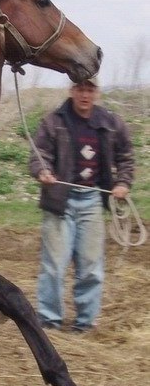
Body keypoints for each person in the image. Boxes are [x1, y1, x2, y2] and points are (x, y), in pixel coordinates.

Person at [29, 77, 134, 332]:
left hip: (92, 202)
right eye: (80, 89)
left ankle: (85, 322)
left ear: (97, 92)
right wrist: (43, 171)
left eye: (90, 89)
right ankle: (49, 320)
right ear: (72, 90)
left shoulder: (111, 123)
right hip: (59, 202)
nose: (85, 95)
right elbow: (39, 154)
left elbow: (126, 157)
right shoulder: (53, 121)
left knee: (90, 267)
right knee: (54, 265)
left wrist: (123, 183)